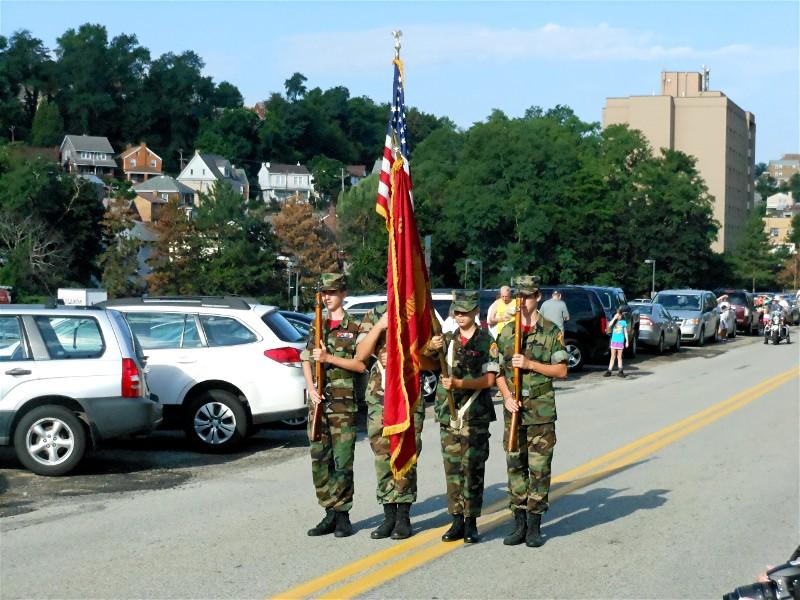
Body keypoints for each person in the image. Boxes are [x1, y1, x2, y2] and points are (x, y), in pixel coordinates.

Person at [495, 275, 568, 548]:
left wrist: (530, 364)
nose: (523, 301)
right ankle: (519, 523)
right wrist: (505, 396)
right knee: (515, 466)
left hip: (540, 411)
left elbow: (561, 371)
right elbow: (496, 370)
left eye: (527, 296)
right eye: (519, 296)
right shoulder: (506, 332)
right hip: (514, 409)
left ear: (538, 297)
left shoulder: (550, 331)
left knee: (539, 469)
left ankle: (535, 526)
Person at [425, 290, 499, 544]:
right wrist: (429, 347)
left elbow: (489, 379)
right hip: (449, 414)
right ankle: (456, 519)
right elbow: (424, 363)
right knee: (453, 469)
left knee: (473, 469)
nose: (459, 316)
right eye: (456, 312)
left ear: (475, 312)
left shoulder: (486, 341)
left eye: (464, 312)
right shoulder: (447, 340)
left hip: (474, 414)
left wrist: (459, 383)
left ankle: (471, 522)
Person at [301, 273, 366, 538]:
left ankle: (343, 516)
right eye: (324, 293)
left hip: (343, 404)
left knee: (342, 460)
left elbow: (360, 365)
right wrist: (311, 387)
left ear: (343, 294)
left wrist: (329, 358)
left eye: (332, 292)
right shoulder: (318, 324)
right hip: (319, 404)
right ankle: (328, 511)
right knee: (320, 459)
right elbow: (305, 357)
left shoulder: (354, 327)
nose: (327, 298)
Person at [355, 303, 425, 540]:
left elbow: (429, 353)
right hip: (380, 396)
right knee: (382, 456)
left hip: (407, 394)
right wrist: (380, 326)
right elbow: (361, 354)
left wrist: (403, 355)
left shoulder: (416, 305)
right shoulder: (374, 314)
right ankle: (389, 516)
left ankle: (404, 517)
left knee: (406, 453)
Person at [604, 307, 629, 378]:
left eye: (619, 315)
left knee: (619, 356)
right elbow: (609, 325)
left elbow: (625, 332)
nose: (619, 316)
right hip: (614, 341)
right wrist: (614, 318)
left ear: (621, 315)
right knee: (612, 356)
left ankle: (620, 371)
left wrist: (627, 341)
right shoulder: (614, 321)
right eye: (617, 315)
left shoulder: (623, 322)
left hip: (620, 341)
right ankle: (609, 370)